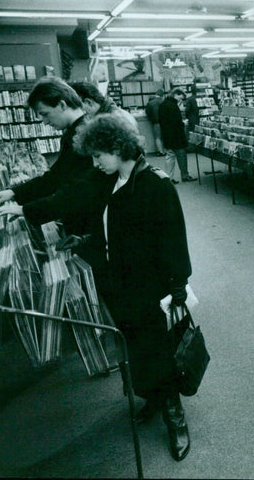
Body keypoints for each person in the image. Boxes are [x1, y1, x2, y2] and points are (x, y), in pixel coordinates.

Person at [73, 114, 193, 462]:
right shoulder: (109, 182)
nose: (95, 164)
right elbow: (113, 231)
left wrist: (178, 284)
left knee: (159, 348)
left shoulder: (156, 184)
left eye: (99, 155)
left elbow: (174, 239)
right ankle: (152, 398)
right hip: (119, 284)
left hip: (150, 287)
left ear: (118, 147)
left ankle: (174, 415)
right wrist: (83, 241)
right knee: (136, 347)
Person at [0, 77, 99, 237]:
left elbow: (79, 191)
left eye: (45, 114)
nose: (44, 122)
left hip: (89, 226)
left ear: (62, 104)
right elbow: (56, 177)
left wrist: (26, 210)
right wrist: (13, 193)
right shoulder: (77, 130)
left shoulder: (84, 134)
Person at [70, 81, 139, 131]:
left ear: (88, 102)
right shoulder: (107, 116)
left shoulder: (116, 120)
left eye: (79, 107)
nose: (79, 112)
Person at [159, 88, 195, 183]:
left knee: (169, 156)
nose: (181, 100)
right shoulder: (173, 106)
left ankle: (169, 178)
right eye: (180, 98)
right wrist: (183, 123)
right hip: (177, 135)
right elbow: (176, 122)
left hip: (167, 134)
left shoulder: (163, 104)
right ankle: (185, 175)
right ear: (175, 95)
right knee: (181, 156)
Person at [145, 89, 166, 156]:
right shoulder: (165, 102)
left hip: (156, 122)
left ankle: (160, 151)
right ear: (162, 95)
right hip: (166, 122)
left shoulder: (150, 103)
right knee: (165, 137)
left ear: (156, 94)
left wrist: (151, 119)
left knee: (158, 137)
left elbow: (147, 113)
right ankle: (166, 151)